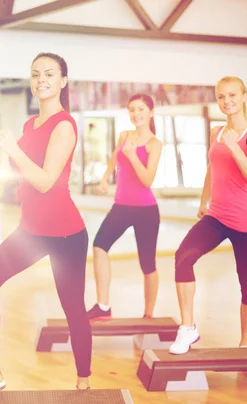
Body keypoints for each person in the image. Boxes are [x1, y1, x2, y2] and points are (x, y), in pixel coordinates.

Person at [0, 53, 92, 402]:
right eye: (35, 74)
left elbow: (47, 181)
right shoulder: (31, 125)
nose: (40, 79)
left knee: (73, 308)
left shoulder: (64, 125)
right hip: (31, 231)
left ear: (63, 81)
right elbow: (25, 178)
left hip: (65, 234)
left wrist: (13, 152)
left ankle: (85, 383)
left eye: (49, 74)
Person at [169, 76, 247, 355]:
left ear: (244, 96)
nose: (227, 101)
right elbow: (212, 168)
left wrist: (235, 146)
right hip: (217, 215)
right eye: (221, 96)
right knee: (183, 257)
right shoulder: (216, 132)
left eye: (232, 95)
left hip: (246, 222)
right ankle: (188, 328)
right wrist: (204, 201)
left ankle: (245, 343)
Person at [87, 94, 162, 321]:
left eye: (140, 109)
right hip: (121, 206)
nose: (136, 114)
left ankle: (148, 314)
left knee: (147, 264)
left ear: (151, 112)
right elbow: (114, 158)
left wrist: (132, 156)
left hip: (146, 210)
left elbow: (147, 180)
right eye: (131, 110)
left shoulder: (154, 144)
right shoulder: (124, 136)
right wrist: (105, 178)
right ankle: (103, 306)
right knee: (99, 246)